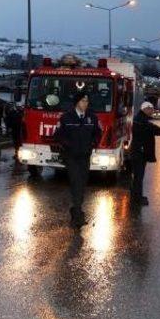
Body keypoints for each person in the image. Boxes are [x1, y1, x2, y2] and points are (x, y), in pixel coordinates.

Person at [54, 92, 102, 227]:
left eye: (86, 101)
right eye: (82, 101)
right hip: (71, 157)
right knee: (76, 182)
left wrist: (93, 144)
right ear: (76, 103)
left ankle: (76, 210)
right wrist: (68, 146)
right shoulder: (66, 118)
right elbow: (58, 135)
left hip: (85, 156)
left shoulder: (92, 118)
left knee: (82, 183)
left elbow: (98, 133)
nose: (85, 104)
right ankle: (77, 214)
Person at [130, 101, 160, 206]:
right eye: (150, 109)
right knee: (138, 176)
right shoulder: (141, 121)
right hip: (139, 153)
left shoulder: (140, 119)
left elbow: (151, 127)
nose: (152, 111)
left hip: (139, 152)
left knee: (138, 176)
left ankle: (136, 196)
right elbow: (153, 129)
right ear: (145, 109)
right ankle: (137, 199)